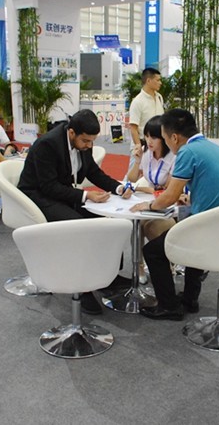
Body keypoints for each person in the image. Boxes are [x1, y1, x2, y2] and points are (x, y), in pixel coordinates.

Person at [130, 109, 219, 321]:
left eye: (164, 138)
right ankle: (190, 299)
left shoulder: (187, 152)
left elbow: (170, 196)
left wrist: (150, 205)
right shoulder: (213, 147)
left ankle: (168, 306)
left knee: (153, 251)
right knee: (189, 234)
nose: (167, 144)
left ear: (174, 137)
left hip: (210, 227)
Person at [18, 109, 133, 314]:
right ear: (71, 133)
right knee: (79, 229)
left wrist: (118, 188)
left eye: (92, 142)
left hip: (62, 193)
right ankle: (82, 288)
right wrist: (86, 196)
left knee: (105, 222)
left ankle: (109, 276)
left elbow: (93, 172)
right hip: (38, 196)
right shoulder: (47, 144)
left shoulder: (83, 142)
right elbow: (48, 186)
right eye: (86, 141)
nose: (89, 146)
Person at [125, 115, 176, 242]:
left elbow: (165, 190)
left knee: (150, 226)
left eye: (153, 137)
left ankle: (156, 254)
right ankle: (138, 256)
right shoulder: (146, 152)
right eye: (146, 136)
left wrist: (138, 189)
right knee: (134, 223)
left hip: (170, 205)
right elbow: (131, 179)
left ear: (163, 138)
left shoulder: (174, 156)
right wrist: (137, 161)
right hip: (152, 200)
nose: (149, 141)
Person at [128, 68, 164, 167]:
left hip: (157, 145)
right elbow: (133, 128)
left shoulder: (159, 97)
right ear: (148, 81)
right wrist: (138, 146)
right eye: (158, 80)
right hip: (142, 144)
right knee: (135, 173)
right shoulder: (137, 101)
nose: (160, 83)